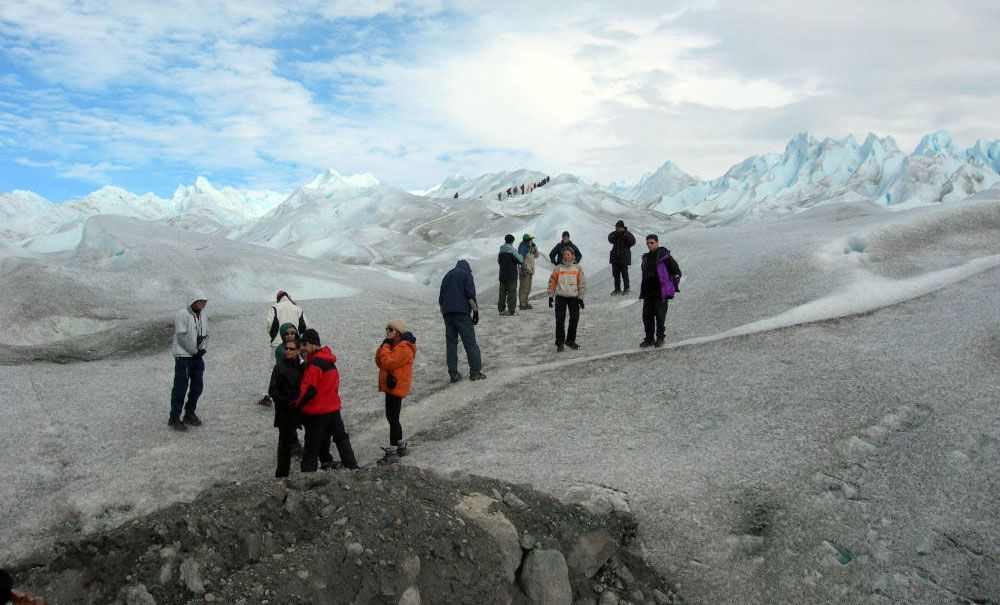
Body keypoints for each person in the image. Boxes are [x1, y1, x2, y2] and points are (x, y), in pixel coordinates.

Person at [292, 329, 358, 471]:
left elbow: (308, 391)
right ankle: (353, 469)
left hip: (318, 413)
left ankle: (307, 478)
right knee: (341, 440)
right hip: (333, 410)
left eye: (304, 344)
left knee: (311, 450)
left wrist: (296, 407)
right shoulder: (329, 361)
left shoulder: (315, 365)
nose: (302, 348)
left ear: (313, 344)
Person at [438, 260, 486, 382]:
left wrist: (444, 313)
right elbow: (470, 295)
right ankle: (475, 372)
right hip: (462, 313)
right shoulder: (466, 275)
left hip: (448, 313)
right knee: (470, 342)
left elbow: (441, 298)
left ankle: (453, 373)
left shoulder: (448, 275)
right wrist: (475, 312)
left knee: (451, 344)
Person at [375, 319, 417, 457]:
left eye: (390, 329)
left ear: (398, 332)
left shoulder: (404, 348)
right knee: (391, 416)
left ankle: (395, 446)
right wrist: (384, 345)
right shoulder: (394, 345)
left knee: (393, 417)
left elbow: (388, 363)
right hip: (391, 386)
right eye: (386, 329)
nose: (387, 332)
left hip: (396, 387)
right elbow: (379, 361)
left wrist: (385, 346)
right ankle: (399, 444)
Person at [169, 292, 208, 432]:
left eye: (204, 301)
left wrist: (203, 349)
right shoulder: (183, 314)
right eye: (200, 301)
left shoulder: (202, 315)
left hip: (196, 356)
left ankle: (189, 412)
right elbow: (181, 337)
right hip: (184, 357)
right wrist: (194, 351)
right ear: (193, 301)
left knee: (197, 386)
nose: (203, 304)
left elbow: (205, 333)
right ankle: (174, 417)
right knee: (180, 387)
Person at [268, 332, 305, 478]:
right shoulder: (279, 367)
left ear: (298, 350)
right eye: (287, 349)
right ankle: (281, 475)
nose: (288, 351)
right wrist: (286, 401)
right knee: (284, 444)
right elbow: (272, 390)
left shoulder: (303, 367)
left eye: (291, 349)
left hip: (300, 408)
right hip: (285, 410)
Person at [262, 291, 308, 406]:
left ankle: (269, 395)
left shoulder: (275, 308)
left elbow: (269, 323)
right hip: (294, 344)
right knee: (295, 366)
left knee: (274, 367)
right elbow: (304, 325)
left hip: (277, 342)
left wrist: (273, 336)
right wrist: (297, 338)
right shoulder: (297, 308)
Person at [639, 234, 682, 348]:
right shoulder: (646, 258)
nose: (649, 245)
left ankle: (660, 338)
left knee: (660, 316)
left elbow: (676, 272)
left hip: (660, 292)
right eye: (647, 243)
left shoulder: (665, 256)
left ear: (657, 243)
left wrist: (670, 287)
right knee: (647, 316)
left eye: (651, 243)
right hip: (648, 292)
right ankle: (649, 339)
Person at [547, 247, 586, 352]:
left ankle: (570, 341)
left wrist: (581, 298)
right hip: (561, 297)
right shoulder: (558, 268)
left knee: (574, 319)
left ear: (573, 256)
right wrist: (551, 296)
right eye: (564, 255)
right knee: (560, 320)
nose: (566, 256)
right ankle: (560, 343)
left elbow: (581, 284)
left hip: (574, 298)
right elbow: (552, 282)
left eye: (568, 254)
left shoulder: (578, 268)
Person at [608, 220, 637, 295]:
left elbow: (633, 242)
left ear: (622, 227)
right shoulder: (614, 234)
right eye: (616, 227)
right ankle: (617, 289)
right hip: (615, 258)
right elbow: (610, 239)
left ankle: (626, 288)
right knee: (616, 274)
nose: (617, 229)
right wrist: (617, 234)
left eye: (618, 227)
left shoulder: (627, 234)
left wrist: (625, 234)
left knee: (624, 273)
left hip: (624, 257)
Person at [497, 234, 524, 316]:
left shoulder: (501, 250)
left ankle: (501, 310)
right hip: (511, 275)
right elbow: (521, 260)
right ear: (512, 241)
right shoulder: (512, 250)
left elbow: (499, 261)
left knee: (502, 293)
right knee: (511, 293)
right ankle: (511, 310)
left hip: (502, 275)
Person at [517, 233, 540, 310]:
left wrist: (535, 247)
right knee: (524, 287)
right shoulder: (522, 248)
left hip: (530, 270)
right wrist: (522, 269)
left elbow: (537, 256)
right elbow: (520, 259)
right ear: (527, 240)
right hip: (525, 270)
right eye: (530, 240)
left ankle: (526, 303)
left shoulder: (530, 248)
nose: (531, 241)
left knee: (528, 288)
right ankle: (522, 304)